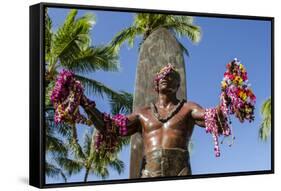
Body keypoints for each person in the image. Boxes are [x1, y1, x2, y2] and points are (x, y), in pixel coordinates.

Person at [81, 64, 226, 178]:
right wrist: (84, 102)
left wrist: (227, 97)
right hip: (149, 173)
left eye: (170, 76)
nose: (165, 77)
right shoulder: (143, 113)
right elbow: (110, 127)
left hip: (180, 172)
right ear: (156, 84)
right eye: (162, 76)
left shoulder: (188, 108)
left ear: (177, 85)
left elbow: (212, 117)